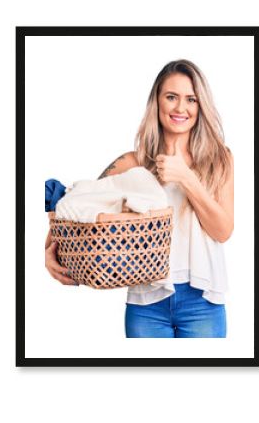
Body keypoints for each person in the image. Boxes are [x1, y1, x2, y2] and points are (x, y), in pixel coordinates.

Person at [45, 59, 234, 338]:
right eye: (171, 97)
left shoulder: (219, 159)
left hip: (203, 303)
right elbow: (79, 206)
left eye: (191, 99)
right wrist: (50, 250)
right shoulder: (132, 163)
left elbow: (223, 231)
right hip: (146, 303)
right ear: (157, 102)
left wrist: (187, 178)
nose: (181, 108)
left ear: (200, 105)